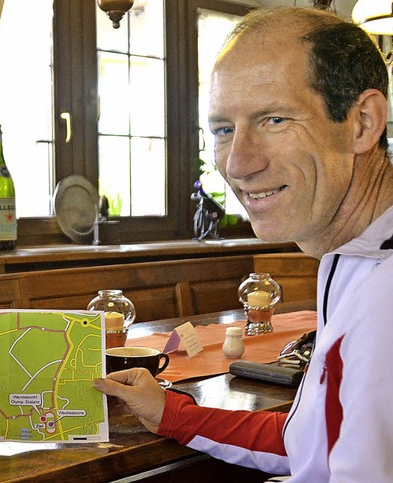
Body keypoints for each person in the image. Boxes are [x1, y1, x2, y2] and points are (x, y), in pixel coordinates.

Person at [94, 6, 393, 482]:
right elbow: (312, 443)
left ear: (362, 122)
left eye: (274, 119)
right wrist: (170, 413)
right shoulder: (351, 257)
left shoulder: (385, 294)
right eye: (223, 129)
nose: (237, 163)